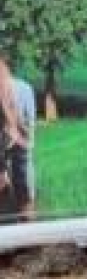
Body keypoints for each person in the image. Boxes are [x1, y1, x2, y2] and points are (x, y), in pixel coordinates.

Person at [0, 54, 34, 220]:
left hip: (12, 141)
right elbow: (28, 120)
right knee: (22, 183)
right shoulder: (22, 87)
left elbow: (24, 120)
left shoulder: (19, 88)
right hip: (14, 141)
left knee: (21, 183)